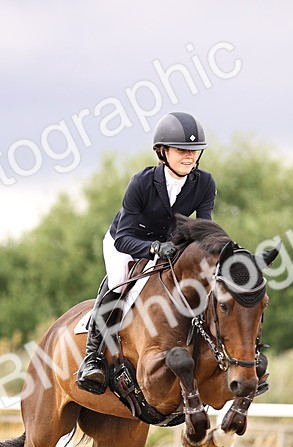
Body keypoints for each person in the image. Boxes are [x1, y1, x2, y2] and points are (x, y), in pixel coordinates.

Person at [75, 111, 217, 394]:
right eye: (181, 150)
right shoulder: (141, 182)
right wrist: (152, 248)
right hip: (127, 242)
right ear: (163, 152)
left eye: (194, 151)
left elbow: (204, 230)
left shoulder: (204, 183)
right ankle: (92, 358)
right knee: (118, 282)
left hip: (169, 245)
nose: (189, 157)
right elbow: (124, 238)